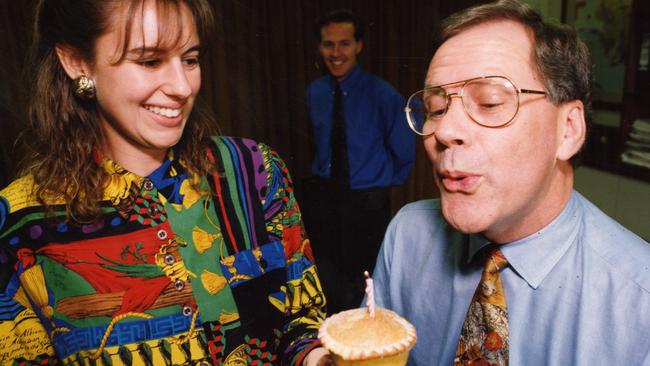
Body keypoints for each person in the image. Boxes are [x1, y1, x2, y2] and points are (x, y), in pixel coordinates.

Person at [0, 0, 332, 364]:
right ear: (77, 62)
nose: (182, 86)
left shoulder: (253, 170)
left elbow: (300, 325)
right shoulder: (20, 223)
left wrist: (322, 358)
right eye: (149, 61)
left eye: (190, 59)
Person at [372, 0, 650, 365]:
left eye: (488, 103)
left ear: (567, 130)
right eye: (436, 108)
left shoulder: (640, 301)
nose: (445, 130)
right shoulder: (406, 235)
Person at [302, 9, 415, 313]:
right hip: (325, 197)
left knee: (363, 280)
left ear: (359, 46)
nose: (336, 53)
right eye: (328, 45)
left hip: (367, 201)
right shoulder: (315, 93)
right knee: (328, 275)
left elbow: (404, 149)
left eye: (344, 44)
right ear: (319, 47)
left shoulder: (382, 94)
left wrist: (378, 184)